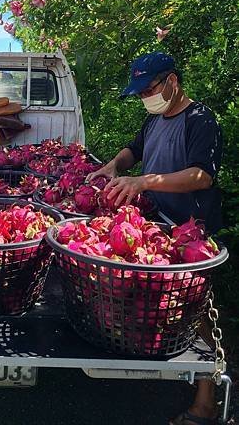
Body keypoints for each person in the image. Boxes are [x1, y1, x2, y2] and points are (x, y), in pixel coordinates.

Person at [87, 51, 222, 425]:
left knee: (198, 310)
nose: (146, 96)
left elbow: (202, 175)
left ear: (172, 81)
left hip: (190, 230)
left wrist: (145, 181)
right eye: (141, 91)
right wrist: (114, 166)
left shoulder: (200, 120)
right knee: (156, 301)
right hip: (156, 224)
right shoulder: (155, 119)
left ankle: (206, 402)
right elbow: (135, 150)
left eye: (150, 88)